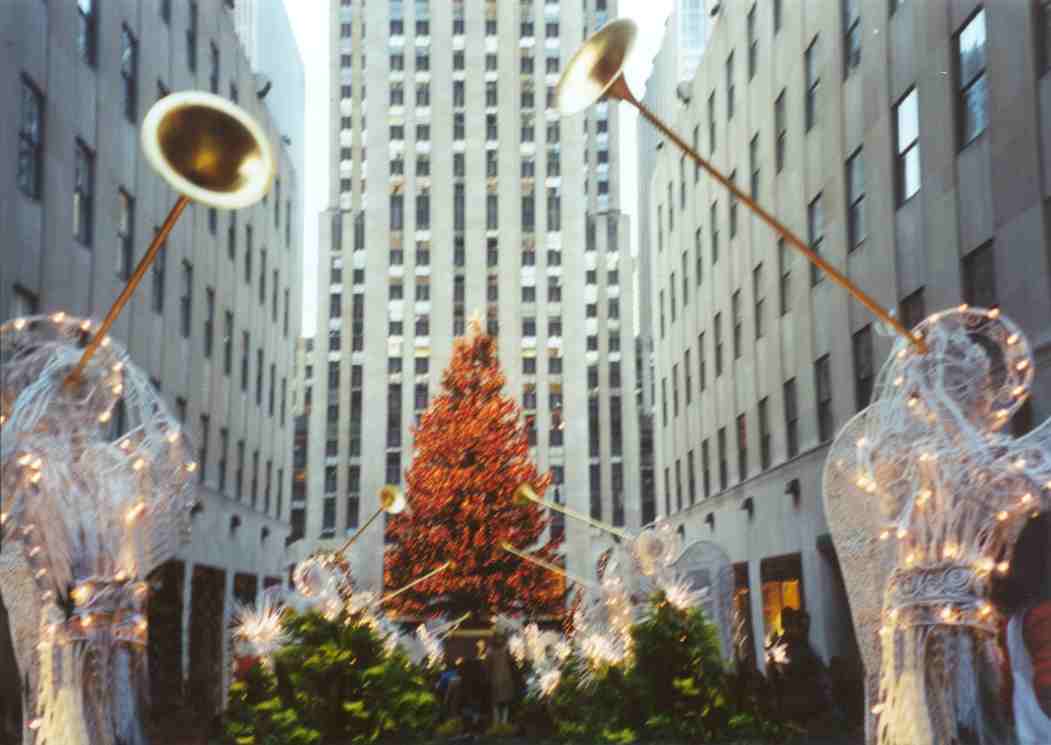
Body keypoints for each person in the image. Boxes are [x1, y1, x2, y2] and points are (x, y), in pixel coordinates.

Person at [487, 633, 514, 727]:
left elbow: (487, 665)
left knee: (496, 703)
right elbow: (511, 661)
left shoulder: (490, 651)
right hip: (506, 678)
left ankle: (496, 724)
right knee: (505, 703)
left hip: (495, 679)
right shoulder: (506, 649)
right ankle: (504, 723)